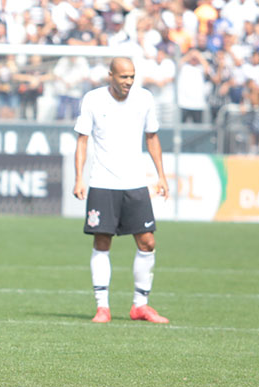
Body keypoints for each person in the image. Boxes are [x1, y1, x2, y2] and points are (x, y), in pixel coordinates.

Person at [73, 57, 170, 324]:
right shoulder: (93, 99)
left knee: (147, 242)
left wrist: (161, 175)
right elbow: (82, 141)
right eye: (123, 76)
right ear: (110, 76)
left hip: (135, 183)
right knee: (102, 242)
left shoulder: (145, 99)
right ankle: (102, 306)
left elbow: (152, 137)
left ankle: (140, 305)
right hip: (103, 183)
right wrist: (79, 178)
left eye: (132, 77)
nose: (128, 81)